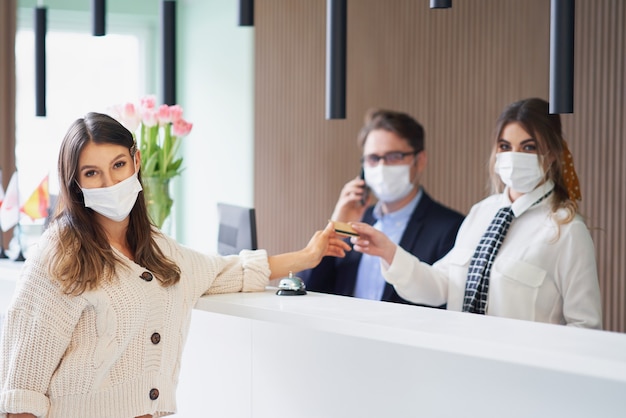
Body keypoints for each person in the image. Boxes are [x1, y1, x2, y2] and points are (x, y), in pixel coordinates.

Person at [0, 112, 351, 418]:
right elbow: (21, 388)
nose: (110, 183)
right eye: (92, 173)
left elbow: (226, 271)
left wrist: (306, 256)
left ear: (136, 162)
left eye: (118, 165)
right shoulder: (58, 255)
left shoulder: (157, 247)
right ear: (75, 183)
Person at [348, 98, 602, 328]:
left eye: (528, 147)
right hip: (465, 363)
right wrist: (389, 252)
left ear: (553, 154)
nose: (514, 156)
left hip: (524, 374)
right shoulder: (482, 213)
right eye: (505, 146)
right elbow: (441, 285)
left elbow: (585, 325)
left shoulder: (566, 229)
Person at [302, 109, 464, 305]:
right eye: (373, 158)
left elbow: (445, 302)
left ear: (419, 161)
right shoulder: (356, 222)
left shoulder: (451, 228)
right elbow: (308, 288)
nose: (381, 167)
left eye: (393, 156)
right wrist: (335, 231)